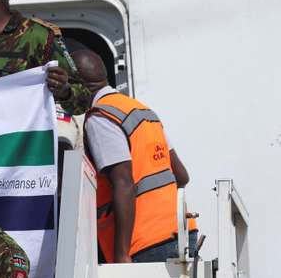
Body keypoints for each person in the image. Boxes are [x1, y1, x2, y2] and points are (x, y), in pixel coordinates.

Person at [72, 47, 192, 263]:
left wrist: (121, 255)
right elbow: (181, 176)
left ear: (77, 85)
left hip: (146, 243)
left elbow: (124, 183)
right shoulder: (141, 110)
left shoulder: (102, 118)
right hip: (182, 232)